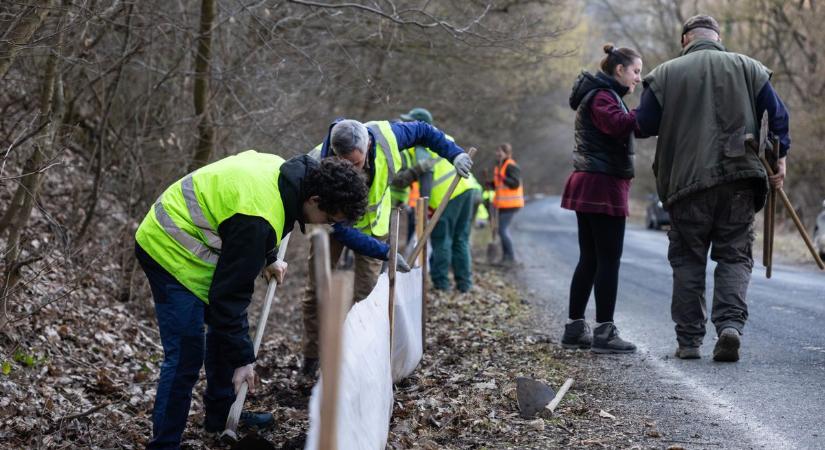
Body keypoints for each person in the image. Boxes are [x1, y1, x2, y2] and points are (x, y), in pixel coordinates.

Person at [134, 151, 369, 448]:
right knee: (185, 356)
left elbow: (239, 221)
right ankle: (164, 444)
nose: (324, 225)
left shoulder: (287, 175)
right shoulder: (259, 218)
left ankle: (220, 417)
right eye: (328, 218)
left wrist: (268, 255)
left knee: (223, 334)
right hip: (167, 248)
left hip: (201, 244)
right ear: (314, 200)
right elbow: (228, 299)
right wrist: (245, 359)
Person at [636, 15, 790, 362]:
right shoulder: (750, 68)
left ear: (685, 40)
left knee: (688, 260)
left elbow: (643, 124)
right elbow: (779, 118)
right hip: (740, 179)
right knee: (734, 255)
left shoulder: (664, 74)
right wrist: (779, 160)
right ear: (718, 38)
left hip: (686, 184)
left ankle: (689, 342)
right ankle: (730, 327)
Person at [301, 117, 473, 376]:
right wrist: (386, 253)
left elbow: (425, 131)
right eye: (345, 164)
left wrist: (455, 154)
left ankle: (355, 357)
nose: (353, 171)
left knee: (367, 295)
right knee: (316, 291)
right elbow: (342, 230)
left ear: (368, 144)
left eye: (357, 163)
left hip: (375, 225)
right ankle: (313, 358)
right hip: (333, 225)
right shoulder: (317, 164)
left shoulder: (388, 136)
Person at [559, 44, 643, 354]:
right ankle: (604, 332)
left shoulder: (602, 95)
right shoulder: (603, 97)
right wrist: (646, 110)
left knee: (591, 258)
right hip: (602, 184)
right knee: (608, 260)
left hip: (592, 181)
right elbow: (620, 125)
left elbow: (625, 126)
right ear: (619, 70)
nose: (638, 79)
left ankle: (575, 328)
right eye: (636, 71)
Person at [391, 107, 477, 293]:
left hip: (448, 196)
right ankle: (464, 285)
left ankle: (441, 285)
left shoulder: (422, 147)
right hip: (467, 189)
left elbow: (427, 174)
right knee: (460, 239)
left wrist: (425, 205)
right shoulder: (444, 138)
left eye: (410, 122)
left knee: (442, 240)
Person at [491, 143, 524, 263]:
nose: (498, 154)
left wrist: (502, 177)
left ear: (507, 153)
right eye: (497, 151)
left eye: (500, 152)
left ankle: (510, 257)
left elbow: (515, 184)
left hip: (512, 204)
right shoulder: (499, 166)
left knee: (502, 230)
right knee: (501, 230)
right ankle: (505, 257)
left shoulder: (511, 166)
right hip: (502, 205)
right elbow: (498, 185)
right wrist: (491, 184)